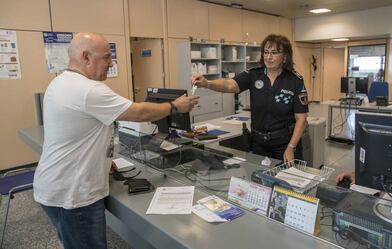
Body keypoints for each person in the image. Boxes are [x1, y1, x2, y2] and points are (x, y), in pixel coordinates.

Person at [33, 32, 199, 249]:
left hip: (56, 185)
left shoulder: (61, 81)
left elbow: (79, 133)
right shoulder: (88, 89)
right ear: (85, 57)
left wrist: (101, 161)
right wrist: (174, 106)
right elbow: (138, 112)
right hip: (74, 195)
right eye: (106, 57)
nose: (111, 64)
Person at [191, 34, 308, 162]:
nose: (269, 57)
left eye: (274, 53)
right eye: (266, 52)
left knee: (285, 181)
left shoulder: (295, 80)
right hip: (258, 144)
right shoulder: (254, 75)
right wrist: (207, 83)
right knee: (256, 180)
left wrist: (291, 147)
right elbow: (229, 84)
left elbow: (301, 119)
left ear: (285, 57)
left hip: (285, 144)